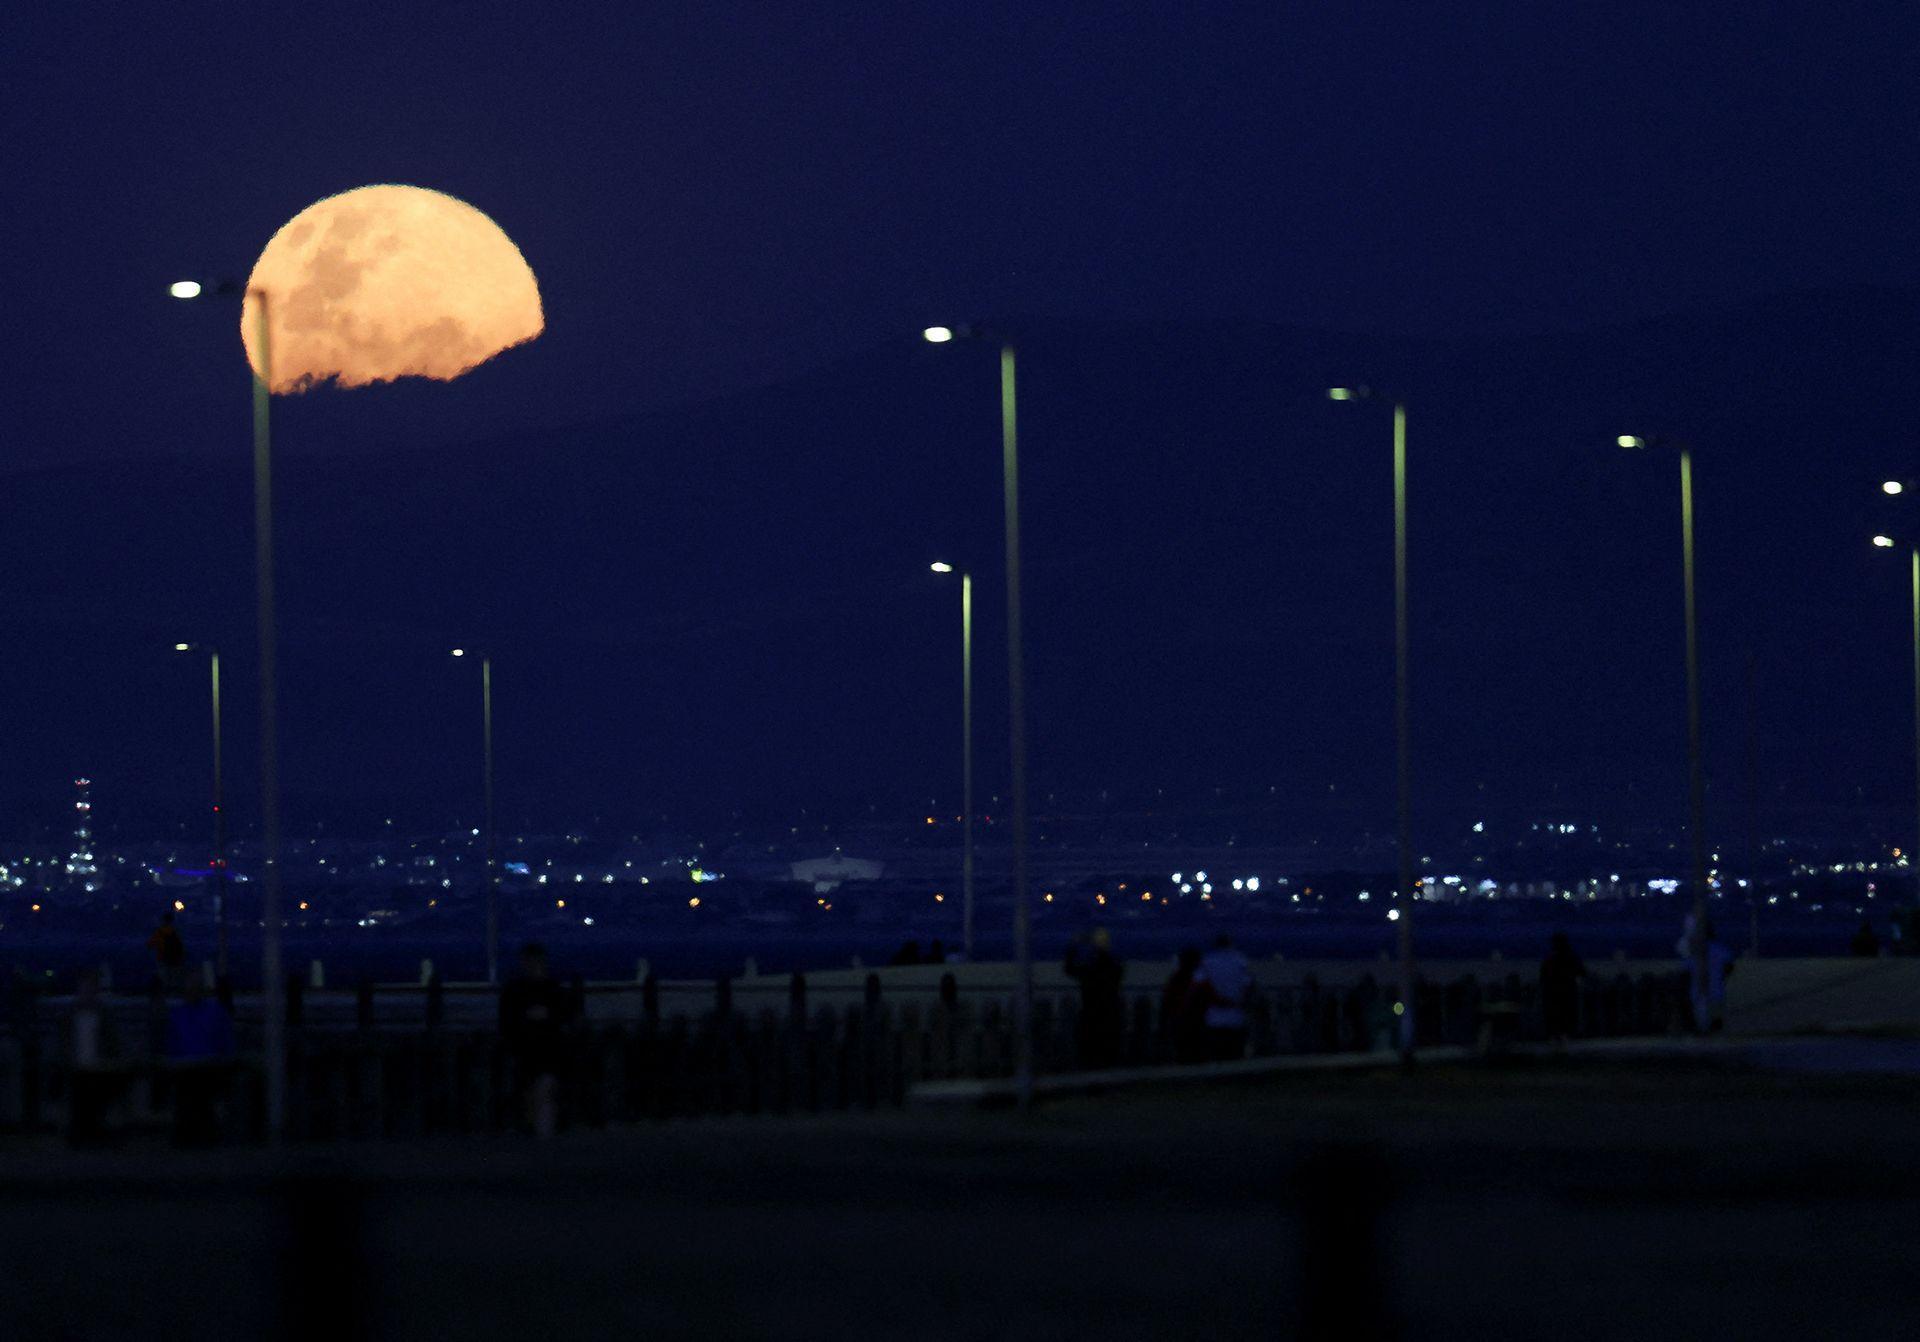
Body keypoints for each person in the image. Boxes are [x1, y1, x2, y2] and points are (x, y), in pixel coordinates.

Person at [498, 942, 574, 1137]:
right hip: (530, 1048)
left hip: (542, 1048)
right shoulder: (539, 989)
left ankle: (542, 1132)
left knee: (542, 1090)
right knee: (535, 1093)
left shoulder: (545, 989)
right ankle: (540, 1132)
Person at [166, 976, 234, 1146]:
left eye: (194, 989)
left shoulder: (214, 1013)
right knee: (192, 1088)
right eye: (190, 990)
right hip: (191, 1069)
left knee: (194, 1089)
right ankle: (198, 1133)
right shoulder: (178, 1015)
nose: (192, 993)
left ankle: (190, 1134)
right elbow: (171, 1048)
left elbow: (227, 1046)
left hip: (208, 1069)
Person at [1063, 929, 1125, 1068]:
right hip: (1109, 1015)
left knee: (1089, 1053)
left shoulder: (1089, 970)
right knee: (1107, 1053)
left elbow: (1069, 969)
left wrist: (1073, 947)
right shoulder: (1114, 969)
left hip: (1090, 1014)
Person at [1194, 933, 1253, 1062]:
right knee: (1234, 1056)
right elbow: (1247, 986)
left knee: (1215, 1055)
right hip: (1236, 1017)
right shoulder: (1240, 961)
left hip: (1213, 1017)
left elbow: (1201, 985)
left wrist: (1216, 1000)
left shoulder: (1207, 961)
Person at [1676, 913, 1735, 1033]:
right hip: (1716, 994)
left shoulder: (1694, 952)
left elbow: (1684, 974)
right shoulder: (1720, 950)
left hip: (1698, 996)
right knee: (1715, 1028)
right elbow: (1729, 966)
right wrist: (1719, 978)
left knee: (1701, 1029)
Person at [1539, 932, 1586, 1042]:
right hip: (1567, 992)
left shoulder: (1550, 959)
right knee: (1566, 1016)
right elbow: (1582, 972)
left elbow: (1543, 976)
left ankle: (1556, 1035)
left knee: (1556, 1016)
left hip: (1554, 993)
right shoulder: (1571, 957)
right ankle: (1564, 1036)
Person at [1161, 946, 1205, 1063]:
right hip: (1193, 1020)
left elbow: (1168, 999)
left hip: (1180, 1019)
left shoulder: (1177, 978)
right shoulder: (1198, 980)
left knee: (1182, 1051)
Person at [147, 911, 187, 992]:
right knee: (174, 977)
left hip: (162, 958)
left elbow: (150, 944)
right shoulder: (175, 931)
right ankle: (174, 991)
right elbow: (180, 946)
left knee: (164, 977)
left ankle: (165, 992)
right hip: (174, 959)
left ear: (163, 920)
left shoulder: (159, 931)